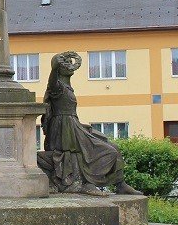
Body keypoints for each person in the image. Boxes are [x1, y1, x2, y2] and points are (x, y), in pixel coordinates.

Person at [37, 51, 141, 196]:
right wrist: (53, 68)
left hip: (74, 125)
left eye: (69, 63)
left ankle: (120, 184)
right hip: (64, 129)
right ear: (59, 69)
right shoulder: (57, 87)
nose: (69, 65)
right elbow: (51, 83)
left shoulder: (68, 88)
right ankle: (88, 183)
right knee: (104, 151)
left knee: (113, 147)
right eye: (64, 64)